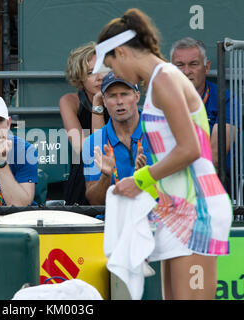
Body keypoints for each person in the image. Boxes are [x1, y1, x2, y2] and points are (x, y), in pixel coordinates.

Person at [94, 8, 232, 300]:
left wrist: (140, 179)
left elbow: (191, 149)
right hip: (177, 209)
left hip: (199, 211)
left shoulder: (166, 78)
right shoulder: (161, 79)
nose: (115, 75)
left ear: (121, 52)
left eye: (111, 66)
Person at [83, 72, 152, 205]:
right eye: (112, 96)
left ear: (137, 96)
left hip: (154, 217)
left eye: (125, 94)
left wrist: (143, 178)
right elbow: (95, 202)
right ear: (104, 101)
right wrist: (106, 176)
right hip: (113, 219)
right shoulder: (92, 143)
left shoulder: (158, 131)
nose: (119, 102)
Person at [170, 37, 234, 174]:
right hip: (170, 177)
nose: (186, 72)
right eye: (180, 65)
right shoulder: (161, 99)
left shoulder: (225, 98)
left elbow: (215, 155)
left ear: (207, 67)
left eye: (193, 64)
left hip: (212, 179)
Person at [59, 42, 110, 205]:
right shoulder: (69, 101)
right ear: (80, 78)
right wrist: (97, 104)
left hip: (117, 168)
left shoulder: (119, 98)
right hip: (84, 176)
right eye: (90, 72)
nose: (99, 77)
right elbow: (87, 149)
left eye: (103, 70)